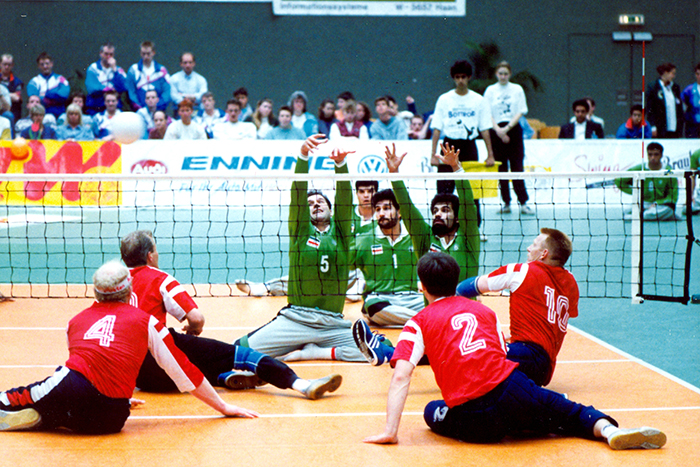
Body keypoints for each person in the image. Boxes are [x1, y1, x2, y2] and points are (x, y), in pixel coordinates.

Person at [363, 252, 667, 451]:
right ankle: (608, 431)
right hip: (513, 390)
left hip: (476, 418)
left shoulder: (417, 322)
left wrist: (391, 431)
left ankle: (520, 424)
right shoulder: (485, 313)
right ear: (455, 282)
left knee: (433, 411)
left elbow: (402, 376)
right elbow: (502, 353)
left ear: (421, 287)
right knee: (567, 411)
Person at [0, 261, 258, 434]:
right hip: (112, 416)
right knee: (84, 407)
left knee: (32, 392)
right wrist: (224, 407)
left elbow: (89, 365)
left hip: (74, 390)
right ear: (129, 290)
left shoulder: (75, 322)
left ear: (97, 293)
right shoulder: (147, 323)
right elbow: (184, 370)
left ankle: (45, 416)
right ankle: (50, 417)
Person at [120, 230, 342, 399]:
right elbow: (196, 318)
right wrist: (194, 329)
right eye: (156, 250)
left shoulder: (115, 282)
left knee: (193, 360)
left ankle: (224, 377)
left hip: (138, 376)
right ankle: (301, 384)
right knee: (240, 354)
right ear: (150, 256)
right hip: (162, 356)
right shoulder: (159, 278)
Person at [234, 135, 367, 362]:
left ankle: (316, 352)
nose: (315, 205)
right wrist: (303, 156)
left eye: (320, 202)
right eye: (310, 204)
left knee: (382, 348)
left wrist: (340, 165)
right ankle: (297, 346)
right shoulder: (300, 232)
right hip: (296, 319)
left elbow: (345, 200)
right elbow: (297, 193)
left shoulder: (342, 234)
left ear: (331, 209)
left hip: (333, 323)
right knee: (239, 350)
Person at [455, 228, 578, 386]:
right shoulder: (571, 282)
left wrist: (445, 293)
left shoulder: (523, 271)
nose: (528, 248)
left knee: (466, 350)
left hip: (524, 355)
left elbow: (469, 287)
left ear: (544, 254)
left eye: (534, 244)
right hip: (546, 370)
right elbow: (557, 316)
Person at [234, 179, 378, 298]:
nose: (366, 196)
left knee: (363, 270)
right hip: (332, 265)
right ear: (356, 193)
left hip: (363, 267)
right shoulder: (346, 215)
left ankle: (355, 289)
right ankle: (265, 287)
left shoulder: (381, 217)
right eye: (362, 191)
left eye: (370, 191)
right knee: (305, 276)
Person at [351, 188, 424, 326]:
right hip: (380, 299)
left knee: (440, 301)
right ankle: (425, 321)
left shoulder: (414, 238)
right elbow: (342, 269)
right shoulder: (364, 240)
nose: (381, 213)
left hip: (412, 299)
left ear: (399, 212)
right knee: (370, 305)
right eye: (378, 210)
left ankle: (411, 320)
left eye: (386, 208)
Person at [430, 60, 495, 196]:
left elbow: (484, 129)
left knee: (471, 193)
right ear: (454, 78)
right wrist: (433, 155)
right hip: (449, 147)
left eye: (463, 77)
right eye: (457, 77)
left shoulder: (479, 100)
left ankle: (474, 218)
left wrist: (490, 155)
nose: (460, 80)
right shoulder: (444, 99)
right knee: (443, 191)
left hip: (469, 147)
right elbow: (436, 129)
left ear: (469, 77)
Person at [484, 61, 534, 215]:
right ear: (496, 74)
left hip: (513, 131)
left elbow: (521, 111)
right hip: (496, 130)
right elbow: (486, 112)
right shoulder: (490, 90)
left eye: (506, 73)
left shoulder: (517, 89)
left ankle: (523, 202)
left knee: (517, 167)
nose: (503, 76)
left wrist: (507, 129)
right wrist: (498, 130)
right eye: (500, 73)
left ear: (510, 74)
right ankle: (506, 202)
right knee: (502, 169)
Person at [614, 142, 679, 221]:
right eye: (650, 154)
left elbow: (673, 197)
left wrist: (657, 203)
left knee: (664, 211)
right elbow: (619, 181)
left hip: (661, 205)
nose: (652, 157)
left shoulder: (669, 171)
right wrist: (636, 192)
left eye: (656, 154)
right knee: (626, 211)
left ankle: (639, 217)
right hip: (644, 203)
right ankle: (644, 215)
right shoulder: (641, 168)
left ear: (661, 155)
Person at [126, 41, 171, 112]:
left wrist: (158, 106)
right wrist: (139, 107)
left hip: (159, 111)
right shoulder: (133, 70)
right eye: (143, 54)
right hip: (139, 111)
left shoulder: (162, 71)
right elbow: (131, 92)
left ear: (153, 52)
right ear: (140, 53)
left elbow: (167, 92)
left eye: (148, 54)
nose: (146, 56)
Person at [85, 42, 127, 116]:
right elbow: (91, 88)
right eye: (106, 54)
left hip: (114, 107)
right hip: (96, 106)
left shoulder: (118, 70)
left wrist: (114, 70)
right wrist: (107, 89)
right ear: (101, 53)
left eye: (111, 54)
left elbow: (124, 86)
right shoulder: (93, 68)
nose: (108, 57)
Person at [27, 52, 70, 119]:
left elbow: (63, 96)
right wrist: (54, 96)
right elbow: (34, 100)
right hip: (40, 115)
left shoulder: (61, 79)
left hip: (60, 113)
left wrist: (46, 95)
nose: (45, 66)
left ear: (51, 64)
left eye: (47, 63)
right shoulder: (34, 81)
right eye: (42, 64)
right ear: (38, 66)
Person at [646, 63, 683, 138]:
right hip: (660, 127)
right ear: (665, 73)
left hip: (674, 127)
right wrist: (653, 126)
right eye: (672, 73)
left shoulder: (675, 87)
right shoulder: (653, 87)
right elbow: (650, 108)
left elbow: (679, 106)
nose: (674, 76)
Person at [0, 54, 23, 123]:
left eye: (9, 65)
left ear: (12, 65)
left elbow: (16, 98)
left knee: (9, 116)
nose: (6, 67)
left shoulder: (17, 82)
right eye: (4, 64)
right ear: (0, 64)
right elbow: (13, 96)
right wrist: (10, 95)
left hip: (10, 111)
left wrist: (2, 94)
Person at [681, 63, 700, 138]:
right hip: (693, 126)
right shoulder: (688, 89)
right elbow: (682, 106)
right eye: (697, 74)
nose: (699, 76)